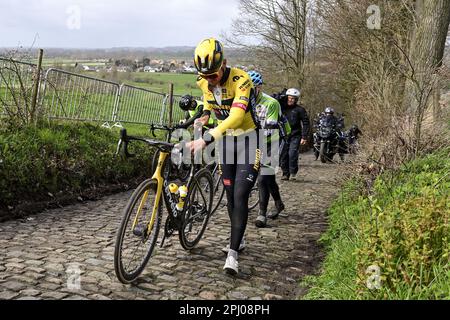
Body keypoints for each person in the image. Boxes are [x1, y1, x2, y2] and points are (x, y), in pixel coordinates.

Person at [186, 38, 260, 275]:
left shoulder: (241, 80)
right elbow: (209, 105)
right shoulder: (203, 82)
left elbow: (237, 117)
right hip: (226, 144)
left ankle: (233, 253)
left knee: (240, 194)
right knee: (229, 195)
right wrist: (204, 117)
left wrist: (207, 137)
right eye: (205, 76)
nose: (210, 80)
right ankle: (239, 238)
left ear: (224, 64)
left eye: (214, 76)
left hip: (248, 140)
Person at [248, 71, 290, 228]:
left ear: (259, 87)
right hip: (257, 140)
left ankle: (262, 213)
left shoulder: (271, 103)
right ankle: (278, 203)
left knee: (263, 177)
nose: (250, 92)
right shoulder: (244, 102)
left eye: (254, 88)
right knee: (269, 178)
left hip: (274, 139)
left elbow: (270, 129)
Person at [280, 88, 310, 181]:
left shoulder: (300, 110)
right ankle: (285, 173)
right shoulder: (281, 108)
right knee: (283, 154)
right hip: (283, 135)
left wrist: (304, 136)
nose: (291, 100)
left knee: (292, 153)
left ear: (296, 99)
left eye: (293, 98)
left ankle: (293, 172)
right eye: (289, 98)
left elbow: (306, 123)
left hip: (295, 135)